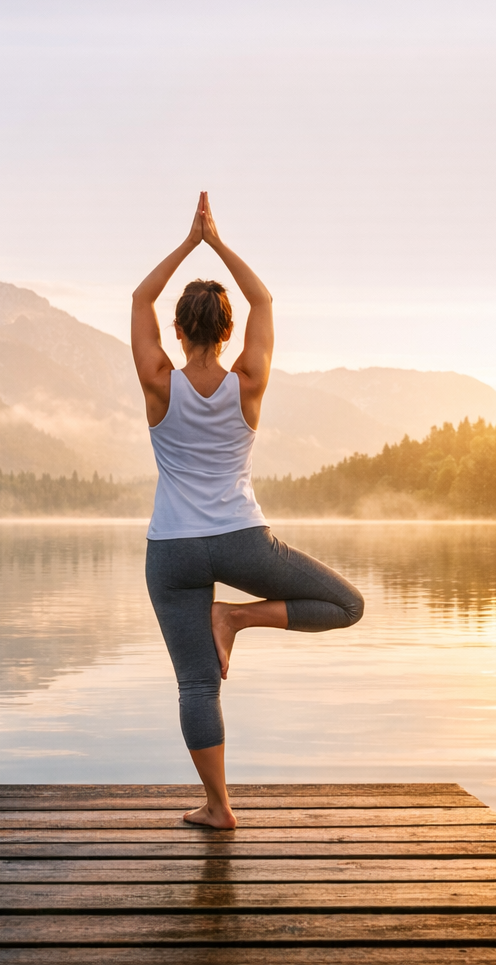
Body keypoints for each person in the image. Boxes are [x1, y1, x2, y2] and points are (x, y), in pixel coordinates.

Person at [131, 192, 364, 829]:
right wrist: (217, 242)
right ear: (228, 333)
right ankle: (235, 617)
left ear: (178, 331)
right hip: (241, 539)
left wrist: (188, 242)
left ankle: (219, 807)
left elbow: (137, 301)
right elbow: (263, 300)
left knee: (196, 686)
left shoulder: (158, 381)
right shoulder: (248, 382)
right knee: (348, 606)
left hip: (172, 549)